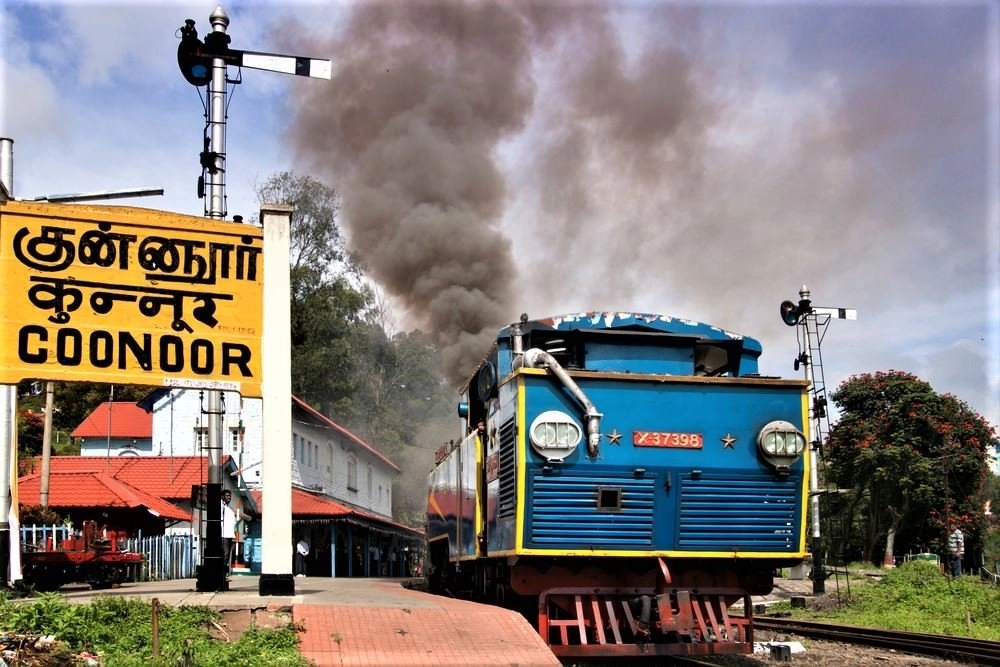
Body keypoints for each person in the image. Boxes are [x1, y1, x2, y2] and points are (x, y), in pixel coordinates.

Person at [221, 490, 237, 572]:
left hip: (229, 534)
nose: (229, 497)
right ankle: (220, 573)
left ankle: (223, 573)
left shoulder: (227, 507)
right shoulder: (221, 506)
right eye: (227, 496)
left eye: (230, 496)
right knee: (225, 554)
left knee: (227, 555)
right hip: (224, 535)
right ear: (222, 496)